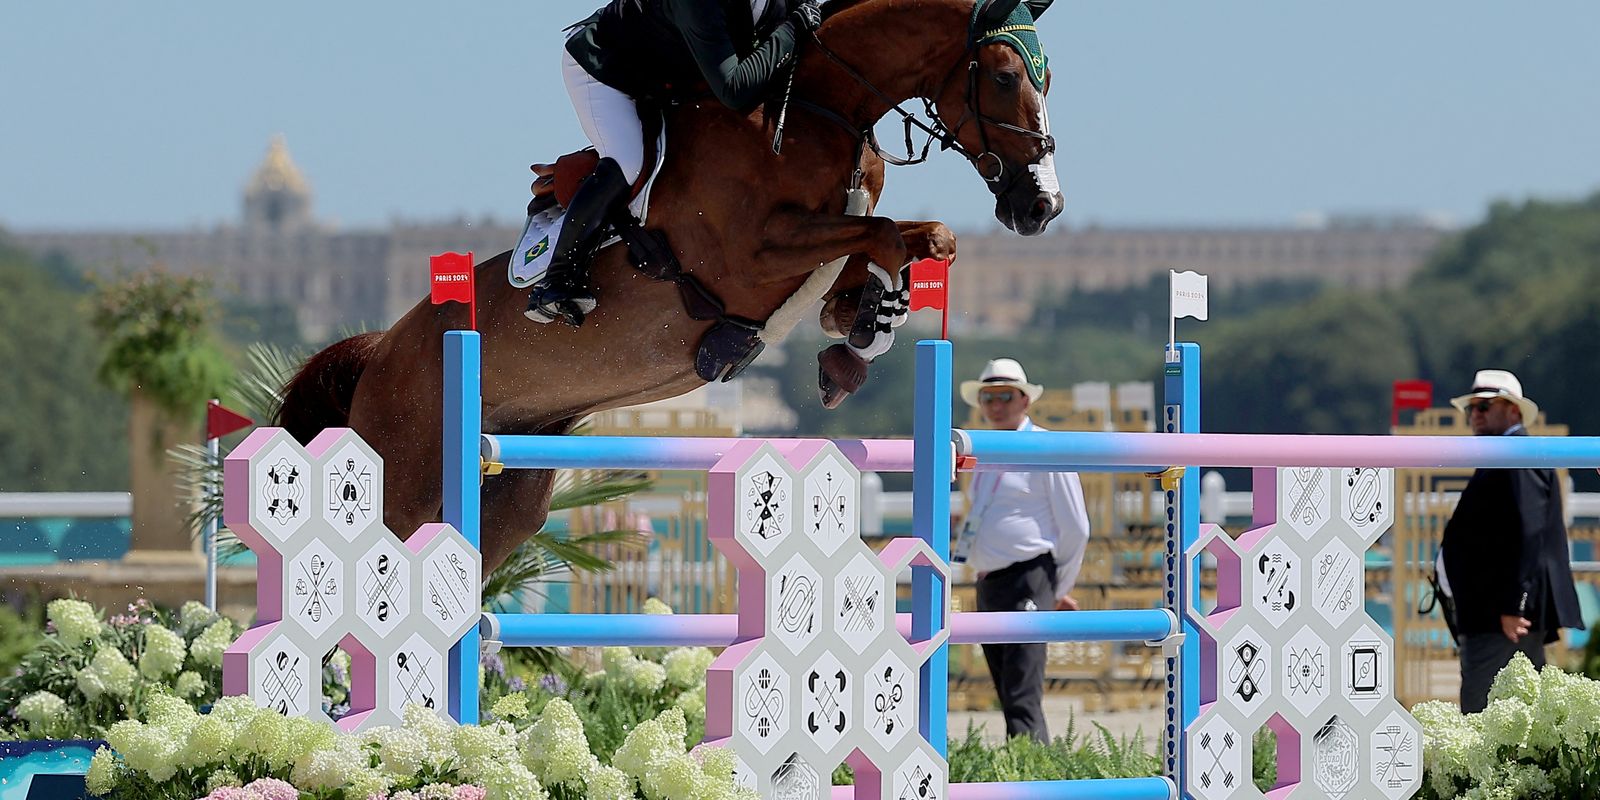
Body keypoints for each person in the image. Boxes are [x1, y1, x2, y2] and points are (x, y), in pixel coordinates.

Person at [526, 0, 823, 327]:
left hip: (670, 72)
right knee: (628, 161)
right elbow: (736, 90)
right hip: (605, 70)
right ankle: (558, 280)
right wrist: (793, 28)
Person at [954, 358, 1091, 742]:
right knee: (1007, 687)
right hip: (992, 580)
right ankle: (1031, 769)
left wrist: (1056, 588)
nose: (996, 405)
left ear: (1025, 400)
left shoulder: (1044, 447)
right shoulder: (984, 451)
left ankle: (1034, 772)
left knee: (1021, 691)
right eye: (988, 397)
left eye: (1004, 396)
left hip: (1029, 574)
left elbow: (1076, 526)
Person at [1438, 369, 1583, 713]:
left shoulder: (1518, 454)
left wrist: (1513, 605)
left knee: (1482, 717)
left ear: (1513, 411)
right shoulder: (1508, 455)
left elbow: (1529, 531)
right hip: (1497, 617)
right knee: (1515, 717)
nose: (1475, 415)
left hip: (1501, 621)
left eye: (1485, 406)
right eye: (1471, 408)